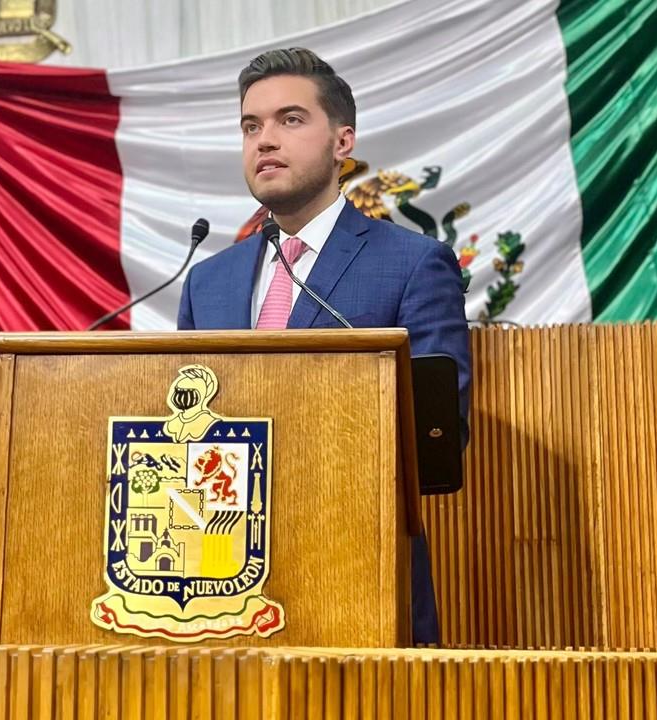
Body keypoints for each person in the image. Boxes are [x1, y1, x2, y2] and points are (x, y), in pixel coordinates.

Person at [176, 48, 472, 645]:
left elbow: (441, 428)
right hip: (216, 591)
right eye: (250, 125)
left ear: (343, 142)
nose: (264, 140)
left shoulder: (413, 265)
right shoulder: (208, 281)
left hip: (356, 580)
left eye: (290, 120)